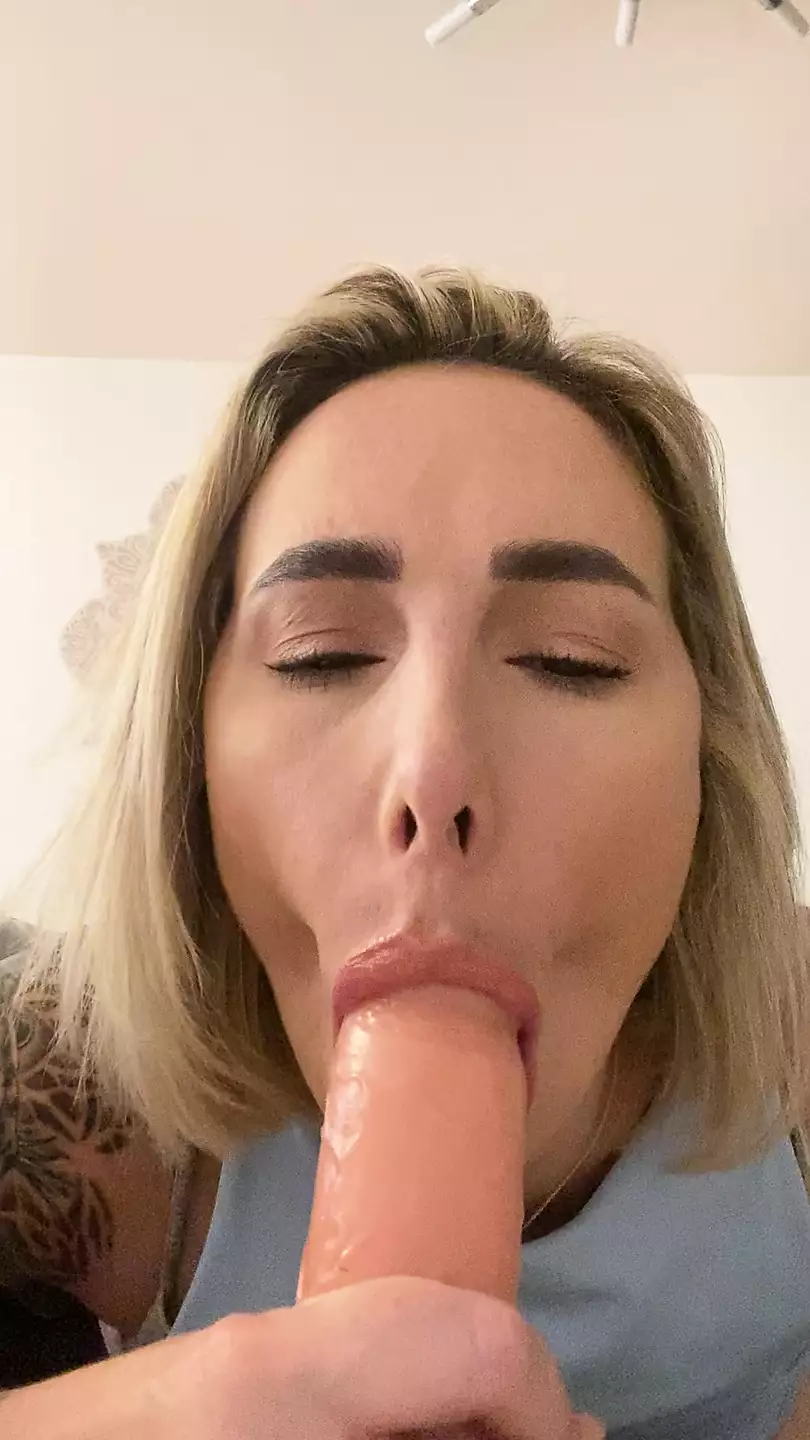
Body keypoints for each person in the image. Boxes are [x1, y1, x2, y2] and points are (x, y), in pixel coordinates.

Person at [1, 265, 808, 1439]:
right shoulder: (75, 1100)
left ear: (710, 761)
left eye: (571, 660)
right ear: (188, 761)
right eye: (320, 654)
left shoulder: (794, 1042)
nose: (433, 777)